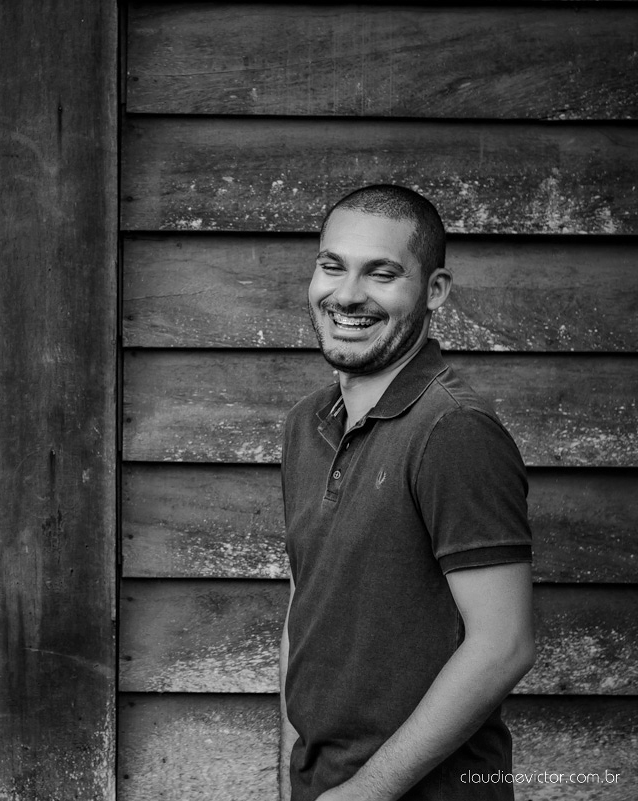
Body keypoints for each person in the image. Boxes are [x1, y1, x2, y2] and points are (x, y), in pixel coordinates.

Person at [279, 185, 536, 801]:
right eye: (332, 266)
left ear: (435, 291)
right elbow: (304, 605)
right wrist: (292, 765)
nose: (346, 295)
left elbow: (505, 645)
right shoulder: (306, 424)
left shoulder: (453, 430)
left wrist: (364, 794)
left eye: (382, 273)